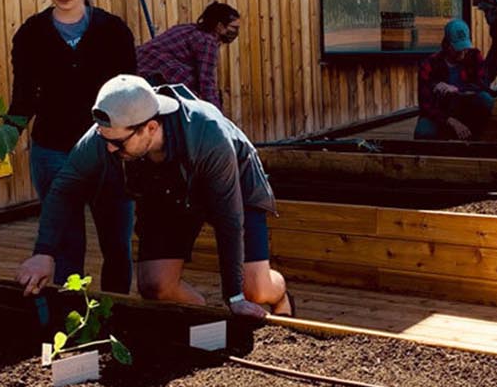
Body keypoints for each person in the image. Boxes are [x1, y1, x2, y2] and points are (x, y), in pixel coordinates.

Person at [17, 74, 293, 322]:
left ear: (150, 127)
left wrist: (234, 297)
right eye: (105, 139)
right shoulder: (107, 136)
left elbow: (229, 220)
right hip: (168, 192)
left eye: (118, 143)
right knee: (156, 286)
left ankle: (280, 296)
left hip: (233, 186)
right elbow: (65, 187)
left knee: (253, 290)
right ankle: (204, 320)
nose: (109, 149)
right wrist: (44, 252)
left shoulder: (208, 135)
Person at [5, 0, 137, 292]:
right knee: (66, 247)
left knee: (117, 246)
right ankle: (70, 318)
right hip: (53, 150)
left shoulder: (113, 30)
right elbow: (23, 99)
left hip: (109, 151)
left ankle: (115, 315)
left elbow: (130, 94)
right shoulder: (31, 34)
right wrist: (4, 138)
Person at [136, 1, 241, 109]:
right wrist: (216, 113)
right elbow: (206, 82)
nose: (236, 31)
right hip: (153, 76)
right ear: (219, 26)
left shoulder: (187, 29)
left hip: (137, 69)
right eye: (233, 27)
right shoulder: (207, 41)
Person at [415, 19, 494, 141]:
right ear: (447, 45)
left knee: (485, 99)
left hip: (467, 110)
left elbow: (484, 86)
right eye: (458, 48)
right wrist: (451, 121)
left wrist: (458, 89)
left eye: (465, 47)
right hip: (442, 113)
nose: (463, 52)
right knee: (423, 132)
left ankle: (472, 136)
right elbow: (425, 106)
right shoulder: (430, 65)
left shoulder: (474, 56)